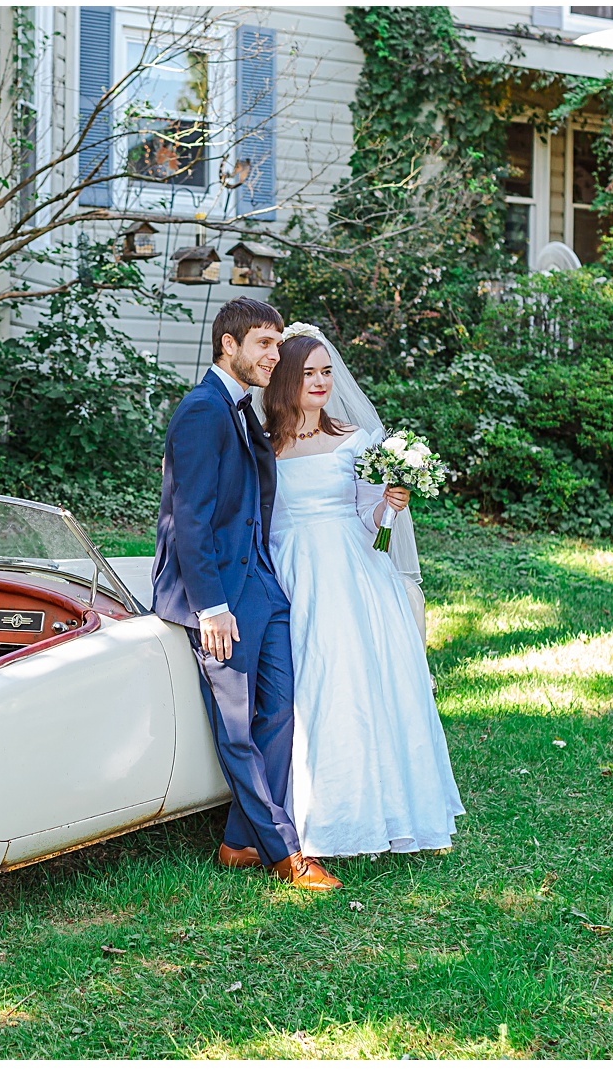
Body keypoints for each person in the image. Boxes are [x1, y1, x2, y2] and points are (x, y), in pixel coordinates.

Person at [152, 297, 342, 891]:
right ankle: (286, 853)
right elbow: (190, 519)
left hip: (262, 585)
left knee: (279, 713)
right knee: (237, 730)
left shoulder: (244, 408)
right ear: (227, 346)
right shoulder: (200, 412)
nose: (275, 354)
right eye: (264, 343)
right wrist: (210, 606)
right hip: (221, 600)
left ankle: (239, 841)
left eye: (278, 342)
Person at [254, 323, 464, 859]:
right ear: (283, 379)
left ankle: (373, 812)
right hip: (288, 570)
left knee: (351, 683)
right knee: (301, 690)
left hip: (349, 574)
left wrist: (390, 504)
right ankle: (304, 809)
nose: (321, 382)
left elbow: (368, 522)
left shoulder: (355, 441)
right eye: (309, 373)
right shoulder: (262, 445)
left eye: (327, 371)